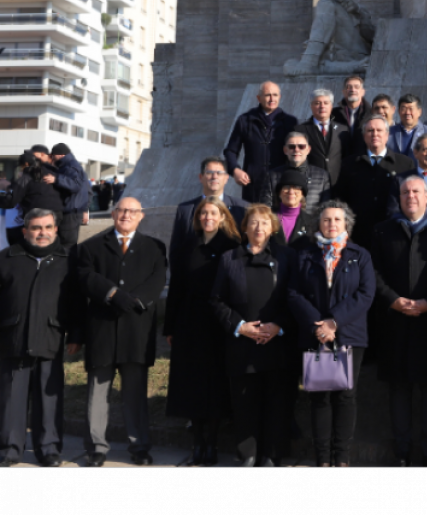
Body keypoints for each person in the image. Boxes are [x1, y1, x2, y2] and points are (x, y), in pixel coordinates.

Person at [372, 177, 427, 468]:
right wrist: (393, 300)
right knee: (398, 389)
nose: (410, 196)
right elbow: (374, 272)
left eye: (416, 192)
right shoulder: (384, 230)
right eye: (405, 192)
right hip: (395, 322)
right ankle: (401, 452)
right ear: (399, 197)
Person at [77, 198, 167, 467]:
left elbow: (158, 279)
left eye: (132, 211)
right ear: (113, 214)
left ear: (141, 216)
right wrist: (113, 293)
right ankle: (96, 448)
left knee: (135, 393)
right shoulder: (90, 247)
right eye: (121, 210)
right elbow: (84, 276)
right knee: (97, 391)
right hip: (102, 329)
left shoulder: (155, 247)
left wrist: (136, 300)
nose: (126, 215)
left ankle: (139, 446)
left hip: (136, 330)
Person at [287, 201, 376, 468]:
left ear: (346, 223)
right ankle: (322, 459)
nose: (332, 224)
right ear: (318, 224)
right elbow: (293, 293)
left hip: (349, 334)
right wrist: (318, 325)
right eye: (326, 220)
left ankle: (342, 457)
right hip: (316, 335)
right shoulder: (304, 255)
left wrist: (334, 322)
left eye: (337, 220)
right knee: (320, 396)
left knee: (345, 395)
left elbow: (365, 294)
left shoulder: (360, 255)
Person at [209, 205, 295, 468]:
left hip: (276, 342)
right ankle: (247, 453)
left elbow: (296, 298)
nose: (259, 228)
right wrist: (240, 326)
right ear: (244, 227)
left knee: (276, 400)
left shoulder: (287, 257)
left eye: (264, 223)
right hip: (242, 343)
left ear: (272, 228)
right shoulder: (229, 259)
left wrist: (278, 325)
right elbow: (216, 299)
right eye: (253, 223)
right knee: (245, 400)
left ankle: (271, 452)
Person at [0, 209, 82, 468]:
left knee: (50, 398)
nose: (42, 233)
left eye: (47, 227)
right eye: (36, 228)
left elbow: (77, 302)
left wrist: (76, 335)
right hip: (13, 338)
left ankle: (48, 449)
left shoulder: (68, 260)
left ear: (56, 229)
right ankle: (10, 449)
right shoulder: (7, 258)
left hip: (51, 336)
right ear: (25, 231)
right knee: (11, 398)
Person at [164, 198, 242, 467]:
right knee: (193, 384)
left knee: (216, 384)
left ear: (222, 217)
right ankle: (198, 441)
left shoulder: (232, 247)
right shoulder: (187, 246)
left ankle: (213, 442)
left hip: (219, 324)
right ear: (197, 218)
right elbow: (176, 288)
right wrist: (170, 326)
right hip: (189, 323)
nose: (208, 217)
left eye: (214, 213)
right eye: (203, 213)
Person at [334, 116, 416, 249]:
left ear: (387, 135)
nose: (375, 134)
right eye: (370, 131)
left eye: (379, 130)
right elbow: (341, 199)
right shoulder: (349, 164)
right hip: (357, 235)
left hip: (393, 235)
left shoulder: (405, 164)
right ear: (364, 135)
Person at [224, 81, 299, 203]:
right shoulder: (245, 120)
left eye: (275, 95)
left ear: (280, 97)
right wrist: (235, 170)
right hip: (253, 185)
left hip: (281, 185)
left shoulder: (290, 122)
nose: (271, 99)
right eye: (267, 95)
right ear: (258, 98)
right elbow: (230, 151)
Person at [172, 158, 248, 272]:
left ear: (226, 178)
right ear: (200, 177)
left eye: (219, 173)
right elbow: (176, 250)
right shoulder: (185, 209)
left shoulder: (242, 208)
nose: (214, 177)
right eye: (209, 173)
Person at [259, 132, 332, 208]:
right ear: (285, 150)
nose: (296, 150)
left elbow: (325, 209)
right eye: (291, 146)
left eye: (301, 146)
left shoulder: (322, 176)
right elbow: (265, 210)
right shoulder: (272, 176)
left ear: (308, 149)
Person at [298, 89, 352, 187]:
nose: (322, 106)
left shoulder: (343, 130)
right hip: (311, 185)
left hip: (338, 185)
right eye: (317, 103)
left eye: (326, 103)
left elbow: (347, 157)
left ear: (331, 106)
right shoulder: (300, 130)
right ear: (311, 106)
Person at [3, 153, 64, 227]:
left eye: (21, 166)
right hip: (57, 216)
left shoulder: (27, 177)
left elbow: (11, 200)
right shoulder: (53, 174)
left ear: (26, 164)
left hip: (37, 217)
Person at [48, 143, 90, 250]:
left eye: (54, 155)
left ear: (61, 154)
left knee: (67, 243)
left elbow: (75, 185)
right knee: (67, 242)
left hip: (71, 211)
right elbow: (88, 190)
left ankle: (67, 266)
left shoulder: (71, 166)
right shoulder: (70, 165)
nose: (53, 158)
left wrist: (56, 179)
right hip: (74, 210)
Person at [270, 169, 318, 251]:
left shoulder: (311, 222)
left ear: (302, 193)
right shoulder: (268, 218)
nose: (291, 191)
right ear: (279, 193)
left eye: (296, 187)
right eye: (286, 187)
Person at [387, 94, 427, 161]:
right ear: (399, 111)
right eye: (403, 109)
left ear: (419, 112)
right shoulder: (389, 132)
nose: (407, 112)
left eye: (411, 109)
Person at [331, 75, 369, 143]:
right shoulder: (333, 114)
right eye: (349, 87)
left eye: (356, 87)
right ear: (344, 92)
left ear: (363, 92)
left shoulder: (371, 114)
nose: (353, 90)